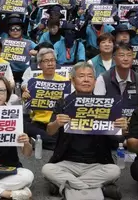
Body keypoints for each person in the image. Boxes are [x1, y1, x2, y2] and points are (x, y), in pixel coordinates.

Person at [42, 62, 123, 200]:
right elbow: (50, 131)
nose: (86, 80)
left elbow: (118, 140)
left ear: (95, 81)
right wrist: (56, 123)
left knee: (115, 171)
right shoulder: (63, 103)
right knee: (47, 169)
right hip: (67, 162)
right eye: (81, 76)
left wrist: (121, 128)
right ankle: (100, 188)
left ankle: (65, 185)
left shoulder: (108, 104)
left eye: (90, 76)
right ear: (72, 80)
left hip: (97, 164)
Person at [20, 48, 66, 150]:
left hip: (56, 124)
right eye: (46, 61)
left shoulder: (65, 82)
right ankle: (57, 143)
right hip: (38, 123)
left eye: (52, 60)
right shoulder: (33, 83)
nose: (50, 63)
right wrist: (24, 99)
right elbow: (27, 111)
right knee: (22, 123)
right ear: (40, 65)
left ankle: (41, 141)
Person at [94, 43, 138, 108]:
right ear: (114, 58)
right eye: (122, 55)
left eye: (129, 55)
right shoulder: (103, 79)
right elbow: (97, 107)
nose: (126, 59)